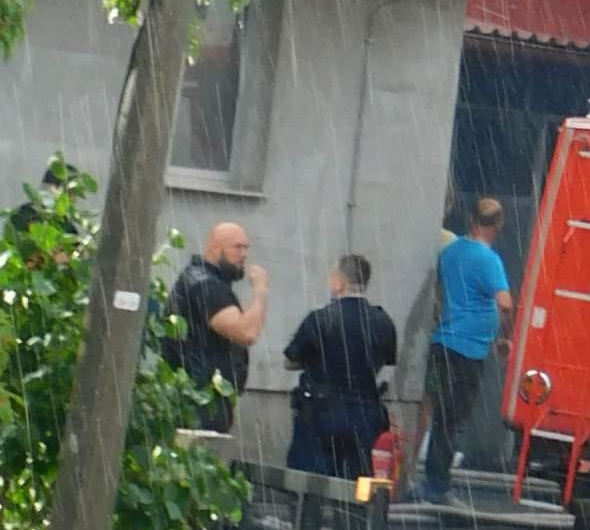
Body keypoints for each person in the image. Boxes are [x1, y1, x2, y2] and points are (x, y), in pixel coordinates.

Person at [418, 197, 513, 500]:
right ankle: (437, 485)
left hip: (442, 343)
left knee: (436, 412)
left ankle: (425, 478)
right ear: (498, 225)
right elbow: (505, 304)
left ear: (471, 218)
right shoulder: (489, 260)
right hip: (468, 351)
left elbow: (438, 291)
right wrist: (504, 337)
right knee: (452, 419)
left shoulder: (451, 252)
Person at [284, 254, 400, 480]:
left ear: (339, 282)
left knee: (310, 479)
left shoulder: (321, 319)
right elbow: (386, 361)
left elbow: (291, 360)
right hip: (365, 414)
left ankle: (310, 514)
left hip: (321, 412)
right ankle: (350, 515)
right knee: (357, 481)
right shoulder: (383, 322)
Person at [166, 220, 268, 430]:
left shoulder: (202, 280)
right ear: (214, 248)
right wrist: (260, 291)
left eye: (246, 247)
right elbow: (246, 333)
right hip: (200, 397)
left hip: (197, 394)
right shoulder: (206, 285)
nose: (244, 254)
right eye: (237, 247)